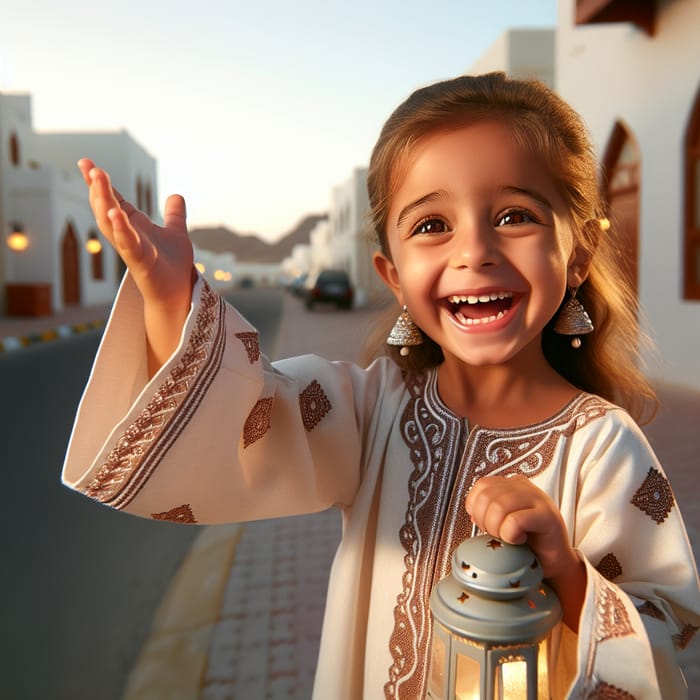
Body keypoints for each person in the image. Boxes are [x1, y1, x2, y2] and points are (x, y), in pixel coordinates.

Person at [62, 72, 699, 698]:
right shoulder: (369, 410)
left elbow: (671, 636)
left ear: (579, 250)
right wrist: (174, 300)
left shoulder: (604, 446)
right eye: (431, 225)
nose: (474, 251)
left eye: (514, 215)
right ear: (393, 276)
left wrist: (567, 572)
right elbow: (243, 418)